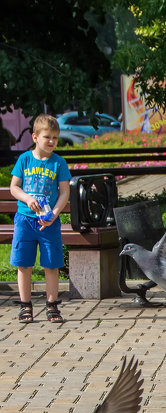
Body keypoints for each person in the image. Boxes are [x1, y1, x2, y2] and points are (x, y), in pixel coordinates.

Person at [9, 114, 71, 323]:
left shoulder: (59, 163)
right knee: (24, 264)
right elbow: (14, 187)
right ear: (35, 137)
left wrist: (54, 213)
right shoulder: (24, 159)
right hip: (25, 220)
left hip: (49, 223)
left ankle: (52, 305)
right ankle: (25, 306)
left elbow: (64, 192)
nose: (52, 141)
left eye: (55, 137)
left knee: (51, 264)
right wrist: (27, 199)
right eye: (47, 137)